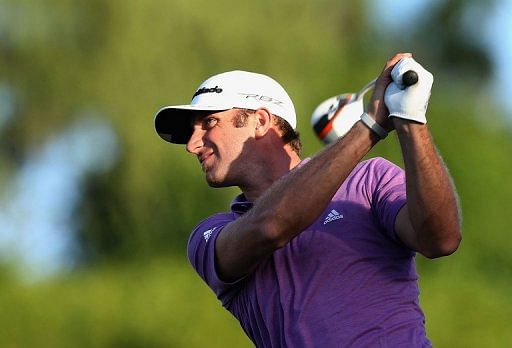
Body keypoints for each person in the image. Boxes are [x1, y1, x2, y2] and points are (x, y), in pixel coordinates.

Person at [154, 53, 462, 347]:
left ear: (260, 121)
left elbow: (442, 239)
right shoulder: (210, 236)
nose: (192, 145)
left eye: (208, 123)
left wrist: (411, 121)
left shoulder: (369, 180)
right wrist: (370, 127)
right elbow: (272, 227)